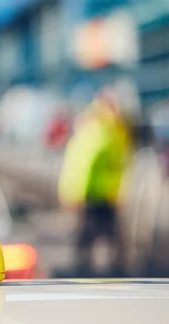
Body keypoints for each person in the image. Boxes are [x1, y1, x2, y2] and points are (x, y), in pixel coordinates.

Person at [58, 88, 134, 277]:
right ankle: (87, 272)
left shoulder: (105, 131)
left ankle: (89, 271)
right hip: (94, 195)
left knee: (97, 238)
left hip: (102, 194)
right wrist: (76, 194)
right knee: (92, 237)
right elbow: (83, 167)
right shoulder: (102, 132)